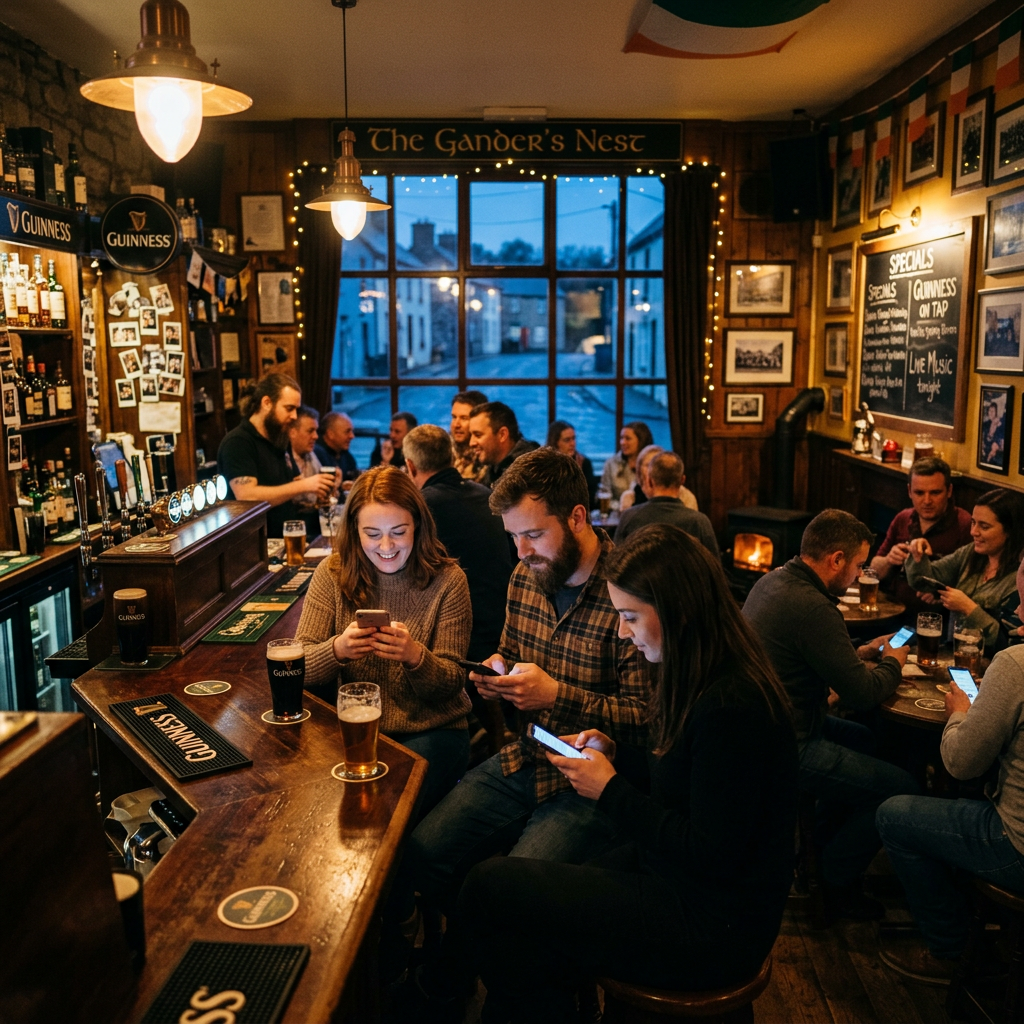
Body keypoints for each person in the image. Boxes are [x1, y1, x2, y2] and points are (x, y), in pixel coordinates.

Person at [459, 525, 799, 1023]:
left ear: (679, 612)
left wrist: (609, 789)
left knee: (492, 889)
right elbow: (686, 780)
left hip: (715, 923)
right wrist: (615, 752)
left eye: (630, 616)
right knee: (518, 909)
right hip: (679, 879)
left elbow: (713, 854)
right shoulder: (697, 669)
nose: (622, 631)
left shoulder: (733, 704)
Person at [407, 448, 650, 1014]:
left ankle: (460, 977)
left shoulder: (630, 590)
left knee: (511, 889)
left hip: (592, 784)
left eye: (533, 536)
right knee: (420, 854)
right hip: (525, 754)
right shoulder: (525, 575)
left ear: (577, 518)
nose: (521, 552)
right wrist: (496, 672)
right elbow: (513, 653)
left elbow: (648, 718)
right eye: (514, 537)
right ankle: (480, 963)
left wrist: (556, 695)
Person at [742, 509, 918, 920]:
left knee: (868, 741)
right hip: (787, 743)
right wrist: (893, 659)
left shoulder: (774, 581)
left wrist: (859, 652)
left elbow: (806, 656)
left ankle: (819, 850)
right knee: (898, 788)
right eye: (858, 565)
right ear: (835, 559)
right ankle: (837, 880)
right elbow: (863, 692)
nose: (860, 574)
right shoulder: (813, 607)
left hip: (765, 726)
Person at [876, 555, 1024, 985]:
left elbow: (960, 763)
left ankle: (951, 949)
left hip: (1015, 849)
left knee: (894, 814)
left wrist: (960, 712)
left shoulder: (1015, 664)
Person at [295, 465, 472, 817]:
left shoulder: (449, 580)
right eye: (372, 534)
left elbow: (453, 682)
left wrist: (415, 658)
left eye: (398, 532)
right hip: (356, 731)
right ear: (354, 531)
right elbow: (297, 667)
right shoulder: (332, 572)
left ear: (417, 526)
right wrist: (337, 650)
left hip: (433, 731)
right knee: (314, 805)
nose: (386, 546)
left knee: (379, 810)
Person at [403, 423, 512, 662]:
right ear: (452, 457)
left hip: (455, 639)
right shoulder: (486, 495)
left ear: (410, 466)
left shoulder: (419, 507)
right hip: (502, 628)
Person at [905, 488, 1024, 654]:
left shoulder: (1019, 577)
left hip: (989, 664)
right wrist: (918, 554)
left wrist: (968, 608)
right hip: (953, 652)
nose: (973, 532)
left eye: (984, 526)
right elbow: (922, 581)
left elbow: (1009, 643)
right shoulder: (971, 553)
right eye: (973, 522)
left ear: (1010, 531)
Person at [217, 373, 336, 537]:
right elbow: (247, 496)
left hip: (286, 537)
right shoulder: (239, 442)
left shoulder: (279, 438)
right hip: (253, 543)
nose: (295, 416)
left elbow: (294, 484)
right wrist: (306, 485)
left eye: (296, 409)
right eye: (289, 408)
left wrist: (318, 496)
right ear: (266, 403)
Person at [869, 457, 972, 618]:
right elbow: (873, 571)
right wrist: (889, 559)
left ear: (949, 491)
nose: (927, 501)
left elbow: (973, 583)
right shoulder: (903, 518)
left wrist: (941, 593)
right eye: (919, 493)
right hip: (890, 612)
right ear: (909, 491)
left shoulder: (964, 524)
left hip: (935, 620)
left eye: (935, 492)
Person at [614, 451, 717, 555]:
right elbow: (714, 568)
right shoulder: (699, 522)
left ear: (650, 481)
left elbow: (614, 564)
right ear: (682, 480)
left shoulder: (629, 518)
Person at [284, 405, 332, 537]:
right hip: (291, 529)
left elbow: (319, 498)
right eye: (310, 431)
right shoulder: (283, 459)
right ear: (292, 432)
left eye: (316, 431)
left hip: (313, 528)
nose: (316, 436)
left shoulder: (313, 454)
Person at [468, 401, 539, 486]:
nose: (471, 443)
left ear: (502, 434)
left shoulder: (529, 472)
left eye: (478, 435)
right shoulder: (494, 468)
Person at [620, 444, 699, 513]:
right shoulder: (629, 497)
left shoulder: (685, 496)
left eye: (656, 465)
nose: (652, 469)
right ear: (639, 468)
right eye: (648, 465)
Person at [546, 420, 596, 508]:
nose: (572, 443)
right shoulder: (545, 465)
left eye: (573, 438)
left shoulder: (584, 463)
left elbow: (590, 500)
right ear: (555, 442)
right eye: (567, 440)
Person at [599, 421, 654, 500]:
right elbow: (605, 494)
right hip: (619, 510)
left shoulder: (653, 464)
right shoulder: (611, 464)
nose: (622, 442)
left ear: (641, 441)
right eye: (621, 438)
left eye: (627, 438)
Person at [314, 411, 360, 490]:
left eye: (352, 431)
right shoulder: (316, 454)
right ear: (331, 434)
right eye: (347, 431)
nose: (352, 436)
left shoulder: (347, 457)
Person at [450, 390, 488, 482]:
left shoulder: (488, 456)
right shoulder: (442, 452)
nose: (456, 424)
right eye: (454, 417)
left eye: (464, 418)